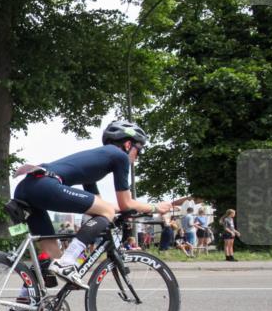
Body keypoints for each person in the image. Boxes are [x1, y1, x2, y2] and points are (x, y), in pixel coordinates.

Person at [12, 120, 174, 288]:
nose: (137, 157)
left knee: (52, 257)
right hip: (44, 184)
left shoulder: (95, 167)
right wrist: (156, 207)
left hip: (27, 187)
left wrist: (123, 209)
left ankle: (23, 305)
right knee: (64, 261)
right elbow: (124, 204)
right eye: (138, 151)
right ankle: (67, 262)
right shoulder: (119, 157)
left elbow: (100, 206)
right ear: (128, 144)